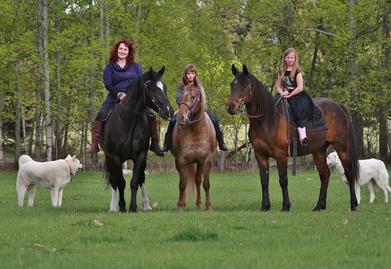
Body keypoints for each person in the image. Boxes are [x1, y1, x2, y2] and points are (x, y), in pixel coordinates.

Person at [89, 39, 164, 156]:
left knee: (151, 115)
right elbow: (108, 84)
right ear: (116, 50)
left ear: (129, 52)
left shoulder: (136, 67)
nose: (123, 51)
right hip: (115, 97)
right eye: (120, 49)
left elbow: (142, 83)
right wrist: (118, 94)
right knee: (101, 115)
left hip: (134, 99)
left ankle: (154, 144)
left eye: (125, 49)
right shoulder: (110, 67)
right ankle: (94, 144)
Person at [163, 64, 228, 152]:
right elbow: (178, 98)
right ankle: (166, 144)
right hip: (183, 109)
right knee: (173, 121)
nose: (190, 75)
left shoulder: (198, 85)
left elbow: (202, 98)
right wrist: (184, 105)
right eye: (188, 73)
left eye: (192, 73)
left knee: (215, 120)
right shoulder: (181, 85)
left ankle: (221, 143)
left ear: (195, 74)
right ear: (185, 74)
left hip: (198, 109)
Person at [275, 48, 314, 145]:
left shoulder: (297, 72)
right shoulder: (281, 72)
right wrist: (281, 93)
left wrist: (290, 95)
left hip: (296, 95)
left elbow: (300, 87)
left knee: (297, 110)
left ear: (295, 59)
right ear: (284, 59)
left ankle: (302, 136)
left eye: (292, 58)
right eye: (288, 57)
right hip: (284, 94)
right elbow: (278, 86)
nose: (289, 60)